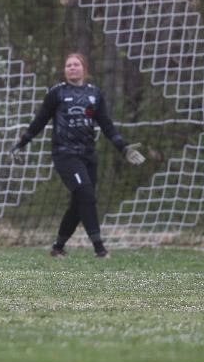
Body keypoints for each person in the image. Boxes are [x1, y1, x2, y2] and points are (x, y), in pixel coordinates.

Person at [11, 53, 145, 258]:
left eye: (76, 64)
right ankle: (100, 249)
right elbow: (39, 121)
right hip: (65, 155)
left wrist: (124, 148)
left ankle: (57, 247)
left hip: (88, 155)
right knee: (86, 194)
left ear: (84, 69)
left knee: (79, 202)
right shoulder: (57, 93)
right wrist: (22, 143)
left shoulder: (94, 94)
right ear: (65, 70)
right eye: (68, 65)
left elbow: (107, 125)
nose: (72, 67)